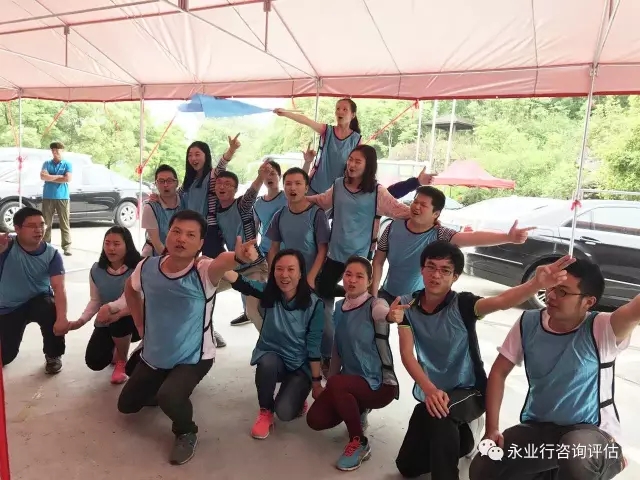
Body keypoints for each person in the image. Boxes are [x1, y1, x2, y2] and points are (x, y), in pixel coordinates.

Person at [395, 242, 575, 480]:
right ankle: (465, 440)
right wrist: (429, 389)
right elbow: (407, 354)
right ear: (422, 269)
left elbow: (501, 301)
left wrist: (536, 284)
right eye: (431, 267)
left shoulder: (464, 304)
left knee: (441, 414)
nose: (436, 275)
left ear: (455, 277)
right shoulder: (407, 306)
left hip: (472, 390)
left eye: (445, 270)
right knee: (407, 466)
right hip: (436, 390)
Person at [469, 259, 635, 480]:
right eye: (551, 288)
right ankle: (550, 471)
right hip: (542, 434)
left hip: (593, 438)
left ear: (588, 301)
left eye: (563, 292)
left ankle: (611, 461)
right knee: (485, 465)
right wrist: (492, 429)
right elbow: (499, 372)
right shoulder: (528, 323)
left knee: (576, 455)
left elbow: (635, 310)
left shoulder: (603, 328)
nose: (551, 296)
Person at [116, 209, 258, 465]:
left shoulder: (204, 270)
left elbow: (222, 262)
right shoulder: (147, 266)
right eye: (177, 231)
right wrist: (139, 322)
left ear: (201, 243)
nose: (181, 238)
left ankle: (186, 431)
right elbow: (130, 288)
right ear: (167, 234)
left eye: (191, 235)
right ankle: (168, 386)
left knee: (169, 397)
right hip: (156, 353)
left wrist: (238, 257)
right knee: (127, 406)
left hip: (194, 355)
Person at [307, 144, 412, 373]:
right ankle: (328, 352)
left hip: (361, 258)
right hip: (335, 254)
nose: (351, 164)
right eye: (350, 159)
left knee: (360, 309)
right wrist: (300, 200)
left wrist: (424, 216)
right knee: (322, 292)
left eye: (358, 161)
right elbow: (322, 201)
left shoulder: (377, 192)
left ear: (368, 166)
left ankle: (356, 353)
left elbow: (398, 210)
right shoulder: (338, 185)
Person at [306, 256, 402, 472]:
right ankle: (358, 408)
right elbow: (337, 349)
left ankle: (359, 443)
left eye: (359, 276)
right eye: (348, 274)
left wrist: (391, 316)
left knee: (337, 384)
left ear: (369, 282)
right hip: (349, 381)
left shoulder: (375, 304)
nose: (352, 280)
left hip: (379, 384)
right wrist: (329, 385)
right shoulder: (339, 306)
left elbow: (383, 314)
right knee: (315, 420)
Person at [221, 249, 324, 439]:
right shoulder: (270, 292)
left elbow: (314, 345)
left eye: (291, 269)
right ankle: (265, 411)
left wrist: (317, 382)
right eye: (279, 269)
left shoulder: (314, 304)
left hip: (299, 366)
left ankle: (298, 394)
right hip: (274, 358)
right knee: (266, 362)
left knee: (285, 413)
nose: (284, 275)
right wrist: (217, 264)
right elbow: (241, 282)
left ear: (301, 273)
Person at [372, 186, 534, 304]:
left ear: (436, 214)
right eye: (415, 202)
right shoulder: (393, 227)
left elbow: (472, 238)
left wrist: (508, 237)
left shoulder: (440, 234)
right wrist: (373, 296)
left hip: (421, 300)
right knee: (376, 331)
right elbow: (378, 262)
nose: (416, 207)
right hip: (387, 294)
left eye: (423, 205)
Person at [65, 226, 141, 384]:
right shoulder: (96, 269)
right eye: (107, 243)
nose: (111, 248)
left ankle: (122, 361)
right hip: (107, 319)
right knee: (95, 361)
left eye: (116, 244)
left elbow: (128, 300)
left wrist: (110, 309)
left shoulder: (138, 268)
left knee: (119, 321)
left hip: (134, 319)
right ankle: (117, 346)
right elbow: (95, 300)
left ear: (127, 245)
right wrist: (80, 321)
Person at [0, 207, 68, 374]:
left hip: (38, 301)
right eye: (31, 226)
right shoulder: (5, 245)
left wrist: (62, 319)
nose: (38, 230)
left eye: (41, 225)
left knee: (51, 308)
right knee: (5, 357)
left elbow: (59, 289)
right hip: (8, 307)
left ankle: (53, 355)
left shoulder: (52, 254)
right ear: (17, 229)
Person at [215, 164, 271, 328]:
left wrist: (261, 176)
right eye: (219, 183)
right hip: (235, 266)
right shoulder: (215, 211)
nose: (222, 187)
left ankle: (271, 342)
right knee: (204, 289)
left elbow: (251, 194)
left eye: (228, 184)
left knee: (253, 311)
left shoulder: (241, 206)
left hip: (254, 266)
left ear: (235, 190)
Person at [275, 98, 361, 194]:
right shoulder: (327, 130)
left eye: (345, 109)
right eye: (337, 109)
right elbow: (306, 120)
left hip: (338, 191)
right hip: (315, 185)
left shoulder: (357, 139)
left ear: (353, 115)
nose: (340, 112)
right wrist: (285, 113)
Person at [266, 167, 330, 287]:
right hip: (287, 277)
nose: (293, 188)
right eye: (288, 184)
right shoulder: (279, 215)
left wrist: (311, 278)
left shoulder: (317, 214)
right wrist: (272, 275)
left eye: (298, 183)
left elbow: (323, 250)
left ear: (306, 188)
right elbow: (274, 248)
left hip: (311, 277)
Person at [178, 136, 240, 258]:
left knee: (212, 261)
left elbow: (222, 163)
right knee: (187, 259)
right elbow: (175, 195)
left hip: (210, 227)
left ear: (206, 156)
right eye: (190, 155)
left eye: (197, 154)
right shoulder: (189, 181)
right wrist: (158, 198)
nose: (193, 158)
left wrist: (232, 149)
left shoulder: (213, 175)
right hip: (192, 226)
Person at [142, 164, 182, 257]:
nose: (165, 185)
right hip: (156, 255)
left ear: (176, 183)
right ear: (156, 184)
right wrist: (173, 260)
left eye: (169, 181)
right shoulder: (150, 207)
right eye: (161, 181)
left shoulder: (185, 202)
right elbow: (157, 243)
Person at [40, 141, 72, 256]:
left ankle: (67, 247)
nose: (54, 152)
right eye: (53, 150)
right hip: (48, 196)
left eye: (57, 150)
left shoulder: (67, 164)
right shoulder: (46, 163)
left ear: (62, 151)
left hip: (63, 197)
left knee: (64, 223)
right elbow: (42, 176)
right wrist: (59, 176)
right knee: (46, 223)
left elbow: (67, 179)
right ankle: (45, 246)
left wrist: (50, 177)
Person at [253, 159, 287, 258]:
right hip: (264, 250)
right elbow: (255, 228)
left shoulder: (288, 197)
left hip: (285, 250)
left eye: (272, 173)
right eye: (266, 174)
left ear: (280, 176)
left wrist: (307, 162)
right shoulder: (258, 203)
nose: (269, 177)